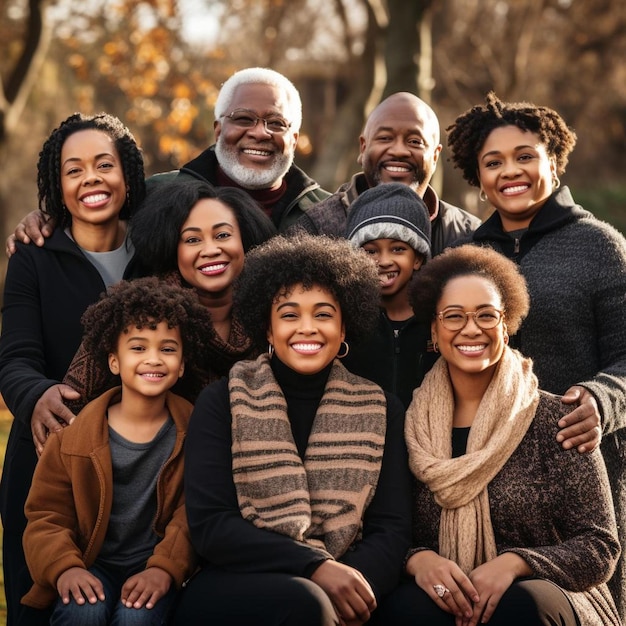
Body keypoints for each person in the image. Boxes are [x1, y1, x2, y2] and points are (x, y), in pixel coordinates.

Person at [446, 92, 626, 618]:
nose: (511, 171)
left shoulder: (600, 247)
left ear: (554, 160)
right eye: (493, 162)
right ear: (477, 178)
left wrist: (602, 398)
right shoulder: (464, 257)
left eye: (525, 155)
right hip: (481, 469)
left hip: (579, 463)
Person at [172, 233, 413, 625]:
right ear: (267, 330)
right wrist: (316, 568)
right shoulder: (222, 401)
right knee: (306, 603)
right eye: (289, 315)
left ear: (343, 327)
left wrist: (352, 586)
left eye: (323, 314)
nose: (307, 328)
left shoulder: (382, 408)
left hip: (347, 573)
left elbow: (392, 527)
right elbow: (212, 526)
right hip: (236, 579)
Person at [377, 244, 621, 626]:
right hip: (451, 594)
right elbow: (387, 528)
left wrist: (516, 563)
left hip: (551, 595)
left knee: (517, 606)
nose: (471, 329)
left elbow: (600, 545)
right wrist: (418, 560)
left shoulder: (557, 419)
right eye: (454, 316)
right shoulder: (411, 426)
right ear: (434, 330)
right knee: (404, 610)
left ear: (506, 326)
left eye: (486, 316)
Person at [0, 112, 146, 626]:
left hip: (140, 467)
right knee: (39, 604)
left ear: (127, 175)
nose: (91, 179)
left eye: (105, 165)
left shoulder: (155, 253)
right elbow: (15, 358)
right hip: (46, 460)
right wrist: (38, 395)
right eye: (74, 169)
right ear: (56, 186)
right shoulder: (34, 258)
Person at [21, 277, 209, 625]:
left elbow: (191, 515)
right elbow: (46, 517)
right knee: (84, 611)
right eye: (138, 348)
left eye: (167, 349)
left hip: (155, 566)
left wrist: (165, 569)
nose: (153, 359)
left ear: (182, 364)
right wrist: (65, 569)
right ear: (114, 361)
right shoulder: (71, 439)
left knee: (137, 618)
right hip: (90, 564)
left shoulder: (196, 433)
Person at [5, 67, 329, 251]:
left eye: (276, 123)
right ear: (218, 129)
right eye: (243, 119)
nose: (260, 133)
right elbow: (92, 210)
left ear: (295, 139)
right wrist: (48, 218)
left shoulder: (328, 215)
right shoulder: (155, 194)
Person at [63, 179, 277, 411]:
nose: (211, 250)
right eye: (192, 240)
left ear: (244, 240)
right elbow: (70, 403)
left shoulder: (273, 311)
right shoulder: (136, 310)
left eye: (223, 235)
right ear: (173, 248)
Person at [290, 91, 481, 256]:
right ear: (363, 148)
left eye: (415, 141)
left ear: (435, 155)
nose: (398, 151)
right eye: (385, 138)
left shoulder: (467, 234)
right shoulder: (316, 230)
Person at [342, 182, 438, 408]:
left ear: (418, 258)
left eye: (397, 249)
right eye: (370, 251)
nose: (383, 261)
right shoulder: (346, 322)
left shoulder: (437, 319)